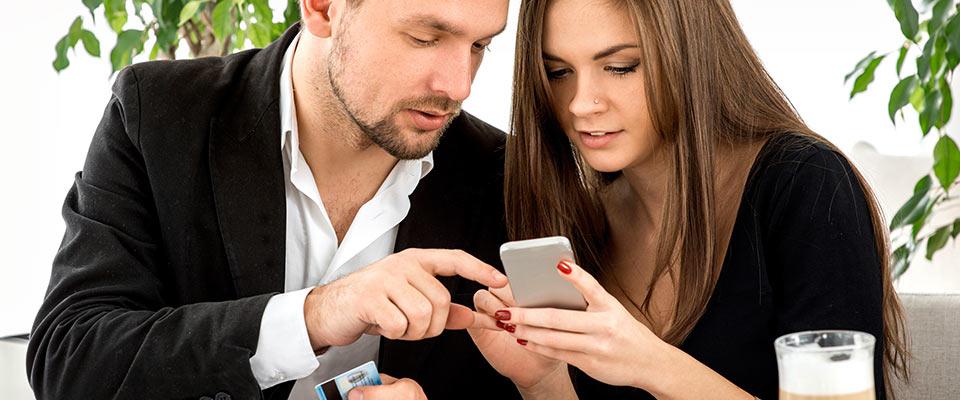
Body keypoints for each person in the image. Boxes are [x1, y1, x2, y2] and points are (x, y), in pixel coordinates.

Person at [27, 0, 521, 399]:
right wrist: (313, 316)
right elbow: (69, 360)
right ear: (323, 8)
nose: (459, 85)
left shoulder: (505, 173)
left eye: (480, 45)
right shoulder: (157, 113)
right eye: (424, 38)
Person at [467, 0, 910, 399]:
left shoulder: (803, 185)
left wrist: (648, 363)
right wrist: (542, 381)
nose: (581, 104)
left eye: (621, 67)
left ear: (691, 54)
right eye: (558, 73)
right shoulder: (580, 219)